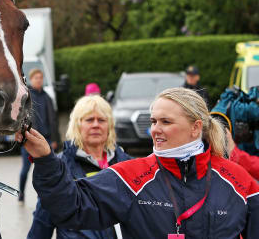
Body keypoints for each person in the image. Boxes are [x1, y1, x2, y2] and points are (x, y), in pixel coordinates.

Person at [18, 87, 259, 238]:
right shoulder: (131, 176)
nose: (155, 130)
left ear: (196, 128)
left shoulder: (239, 181)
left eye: (166, 122)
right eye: (153, 121)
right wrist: (46, 160)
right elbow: (74, 207)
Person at [28, 95, 131, 239]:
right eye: (89, 120)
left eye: (101, 120)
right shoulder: (59, 167)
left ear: (110, 126)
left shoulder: (127, 165)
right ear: (77, 125)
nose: (96, 125)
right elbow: (42, 222)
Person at [19, 69, 58, 202]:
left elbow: (53, 120)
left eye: (40, 78)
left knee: (45, 171)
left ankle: (43, 196)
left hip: (46, 139)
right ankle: (21, 193)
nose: (39, 80)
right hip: (29, 139)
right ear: (31, 79)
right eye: (36, 78)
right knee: (25, 169)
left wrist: (54, 139)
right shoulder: (26, 96)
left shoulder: (47, 97)